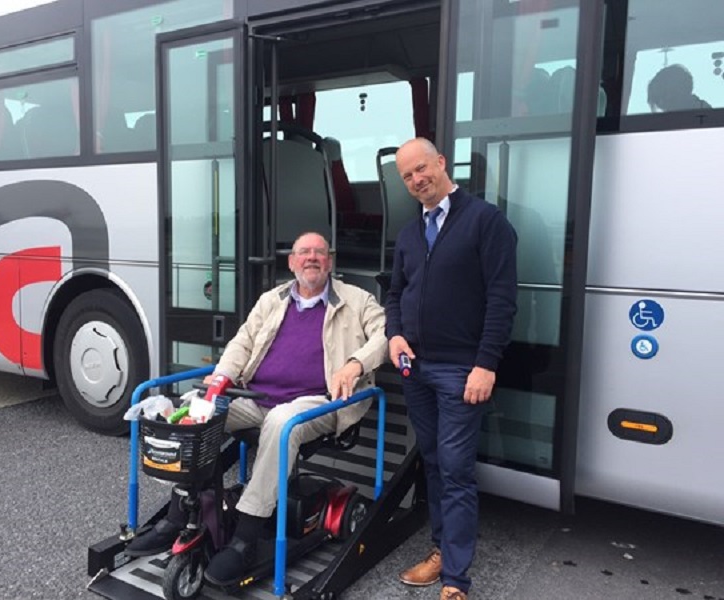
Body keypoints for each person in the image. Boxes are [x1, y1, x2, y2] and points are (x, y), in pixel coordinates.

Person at [126, 231, 387, 585]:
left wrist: (355, 364)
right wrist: (218, 382)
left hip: (319, 402)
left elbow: (385, 335)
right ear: (292, 261)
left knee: (282, 422)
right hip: (255, 398)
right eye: (303, 253)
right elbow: (242, 343)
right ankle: (178, 515)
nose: (311, 258)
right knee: (195, 409)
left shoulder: (357, 300)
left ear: (330, 261)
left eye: (319, 253)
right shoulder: (272, 299)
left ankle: (245, 537)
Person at [385, 138, 517, 600]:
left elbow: (502, 301)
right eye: (407, 176)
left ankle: (456, 580)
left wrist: (486, 364)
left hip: (462, 371)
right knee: (436, 463)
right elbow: (395, 294)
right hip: (416, 369)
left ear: (441, 163)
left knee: (457, 469)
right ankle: (443, 550)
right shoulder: (408, 233)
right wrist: (394, 334)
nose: (417, 180)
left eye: (422, 168)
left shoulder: (486, 222)